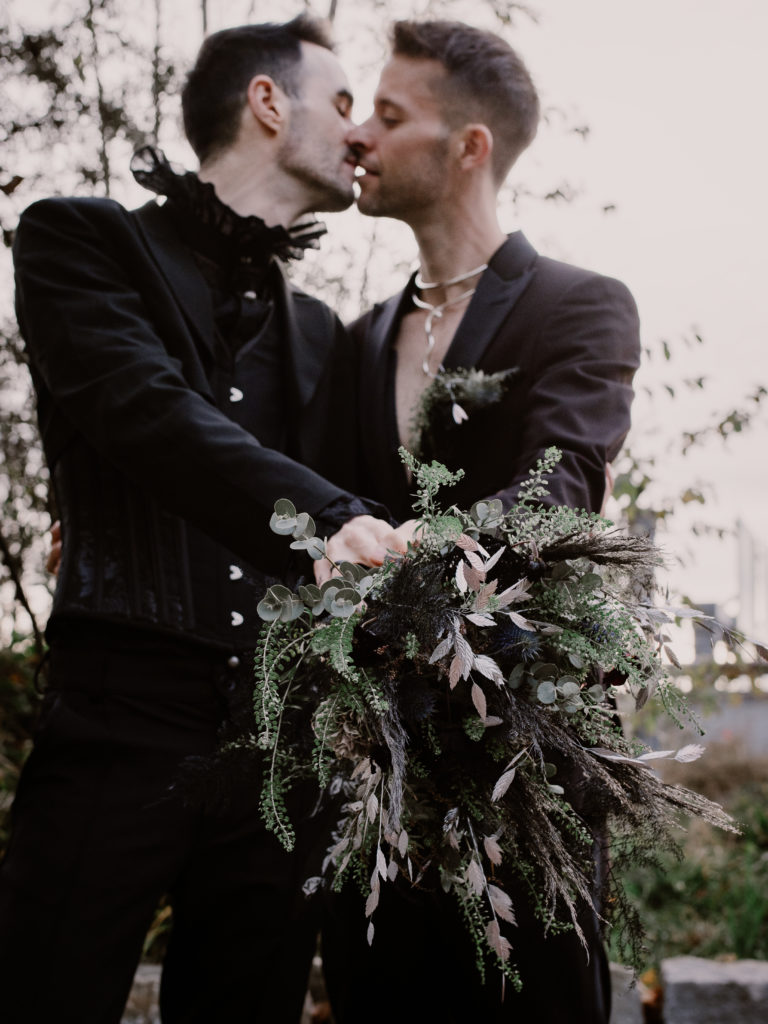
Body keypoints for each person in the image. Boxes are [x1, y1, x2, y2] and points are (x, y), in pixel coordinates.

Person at [0, 15, 401, 1024]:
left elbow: (385, 498)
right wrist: (326, 517)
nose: (360, 135)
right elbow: (142, 408)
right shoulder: (79, 237)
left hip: (280, 750)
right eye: (344, 104)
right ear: (268, 102)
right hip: (116, 710)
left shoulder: (324, 333)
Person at [318, 19, 642, 1024]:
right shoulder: (360, 339)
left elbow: (560, 490)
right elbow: (314, 503)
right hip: (370, 775)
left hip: (524, 770)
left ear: (470, 148)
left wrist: (416, 549)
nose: (357, 136)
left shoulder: (579, 305)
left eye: (388, 114)